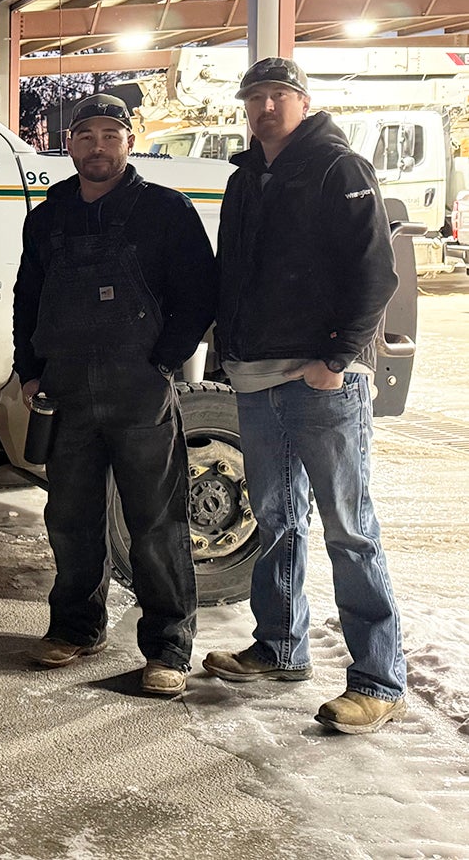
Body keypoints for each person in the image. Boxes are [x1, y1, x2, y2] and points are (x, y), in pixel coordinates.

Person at [203, 57, 406, 734]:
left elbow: (375, 271)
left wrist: (337, 357)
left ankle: (379, 679)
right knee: (276, 519)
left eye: (277, 95)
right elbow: (230, 272)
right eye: (255, 96)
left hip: (320, 381)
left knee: (350, 531)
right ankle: (280, 646)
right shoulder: (243, 180)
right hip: (258, 379)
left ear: (303, 101)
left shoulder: (336, 168)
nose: (265, 106)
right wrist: (224, 350)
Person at [12, 93, 216, 695]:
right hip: (66, 387)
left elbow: (200, 294)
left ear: (129, 141)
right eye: (85, 136)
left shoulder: (165, 211)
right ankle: (76, 628)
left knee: (155, 524)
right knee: (71, 520)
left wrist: (162, 358)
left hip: (138, 389)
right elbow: (28, 295)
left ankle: (168, 650)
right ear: (69, 144)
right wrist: (30, 368)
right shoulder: (49, 216)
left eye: (110, 134)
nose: (97, 146)